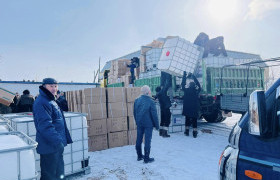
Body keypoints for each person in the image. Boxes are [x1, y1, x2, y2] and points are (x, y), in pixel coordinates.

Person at [33, 78, 72, 180]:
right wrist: (58, 142)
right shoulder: (42, 102)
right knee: (49, 175)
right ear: (44, 86)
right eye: (51, 86)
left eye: (55, 86)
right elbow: (45, 126)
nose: (54, 88)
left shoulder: (51, 100)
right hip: (49, 146)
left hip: (56, 146)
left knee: (59, 173)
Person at [134, 85, 159, 163]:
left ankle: (139, 156)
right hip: (148, 124)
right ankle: (146, 158)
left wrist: (137, 121)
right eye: (150, 91)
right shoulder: (151, 101)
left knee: (139, 139)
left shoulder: (137, 100)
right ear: (148, 92)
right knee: (147, 140)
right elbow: (154, 115)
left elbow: (135, 112)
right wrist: (157, 126)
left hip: (139, 123)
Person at [181, 72, 201, 138]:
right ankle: (194, 133)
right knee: (194, 120)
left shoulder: (186, 90)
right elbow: (199, 85)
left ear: (189, 85)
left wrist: (184, 75)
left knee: (187, 119)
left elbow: (182, 84)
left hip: (187, 108)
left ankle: (186, 131)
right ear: (194, 86)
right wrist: (194, 77)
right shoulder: (196, 91)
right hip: (194, 108)